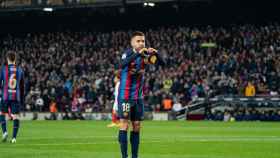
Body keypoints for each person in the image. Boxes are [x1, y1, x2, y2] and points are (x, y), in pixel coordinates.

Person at [117, 31, 164, 158]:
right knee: (124, 124)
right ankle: (124, 156)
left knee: (137, 125)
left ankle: (134, 156)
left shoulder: (146, 56)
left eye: (143, 41)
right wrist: (137, 54)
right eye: (138, 41)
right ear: (132, 42)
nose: (141, 43)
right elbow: (121, 65)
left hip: (138, 97)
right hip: (125, 96)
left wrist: (157, 54)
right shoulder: (127, 53)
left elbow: (162, 64)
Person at [0, 51, 25, 143]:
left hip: (5, 96)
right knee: (16, 116)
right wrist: (22, 100)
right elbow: (22, 87)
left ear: (7, 59)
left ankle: (5, 132)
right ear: (15, 59)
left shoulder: (3, 69)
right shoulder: (20, 70)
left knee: (2, 113)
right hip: (16, 96)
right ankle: (14, 138)